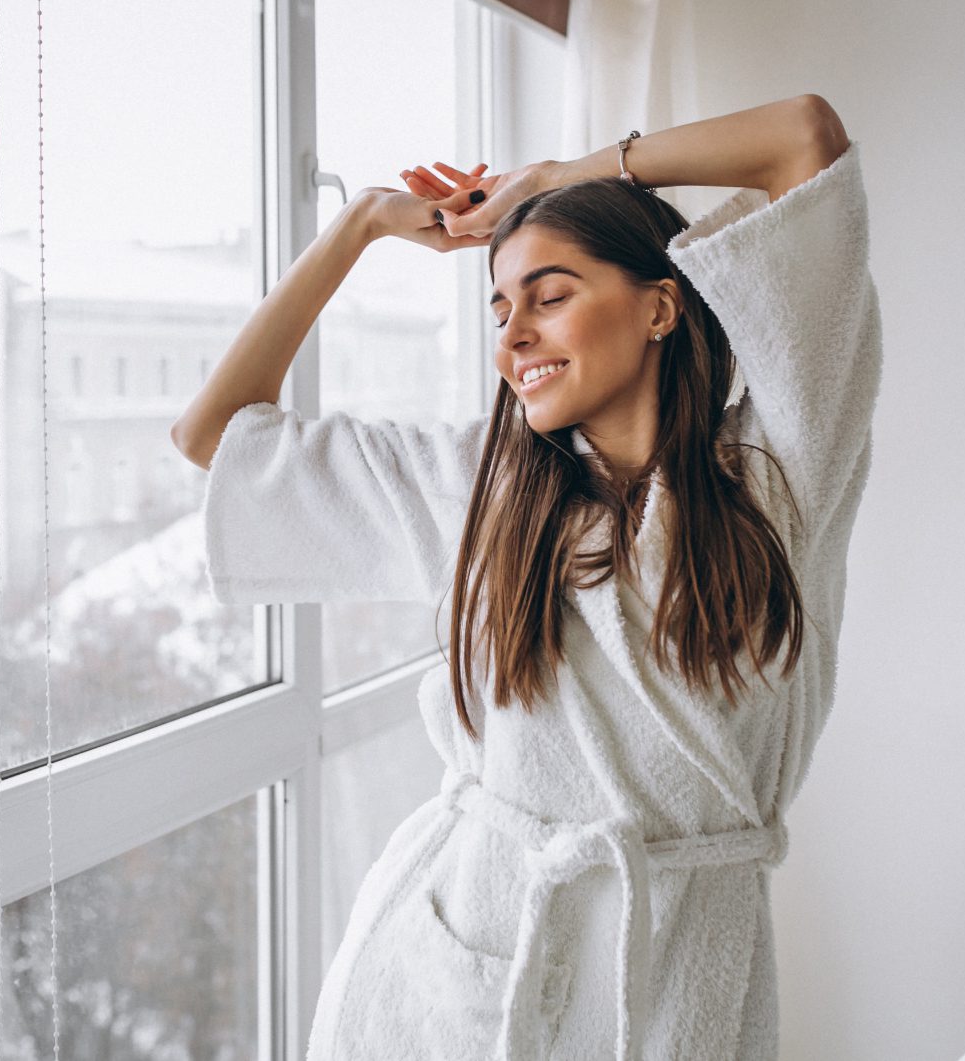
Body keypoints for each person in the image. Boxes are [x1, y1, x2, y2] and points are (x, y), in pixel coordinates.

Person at [169, 93, 883, 1061]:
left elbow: (801, 137)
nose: (510, 340)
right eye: (499, 309)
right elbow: (213, 436)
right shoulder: (479, 485)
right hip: (460, 968)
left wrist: (561, 176)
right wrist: (360, 226)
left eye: (547, 297)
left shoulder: (778, 468)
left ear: (660, 305)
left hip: (680, 979)